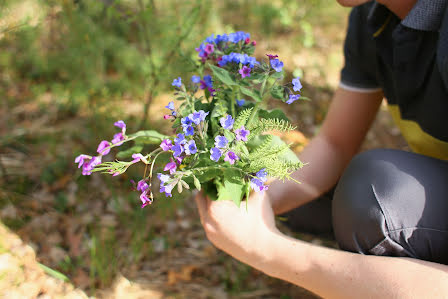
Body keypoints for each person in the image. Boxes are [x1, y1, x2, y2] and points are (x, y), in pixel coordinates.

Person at [195, 0, 448, 297]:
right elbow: (335, 144)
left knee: (375, 196)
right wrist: (260, 199)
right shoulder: (372, 16)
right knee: (304, 195)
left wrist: (267, 250)